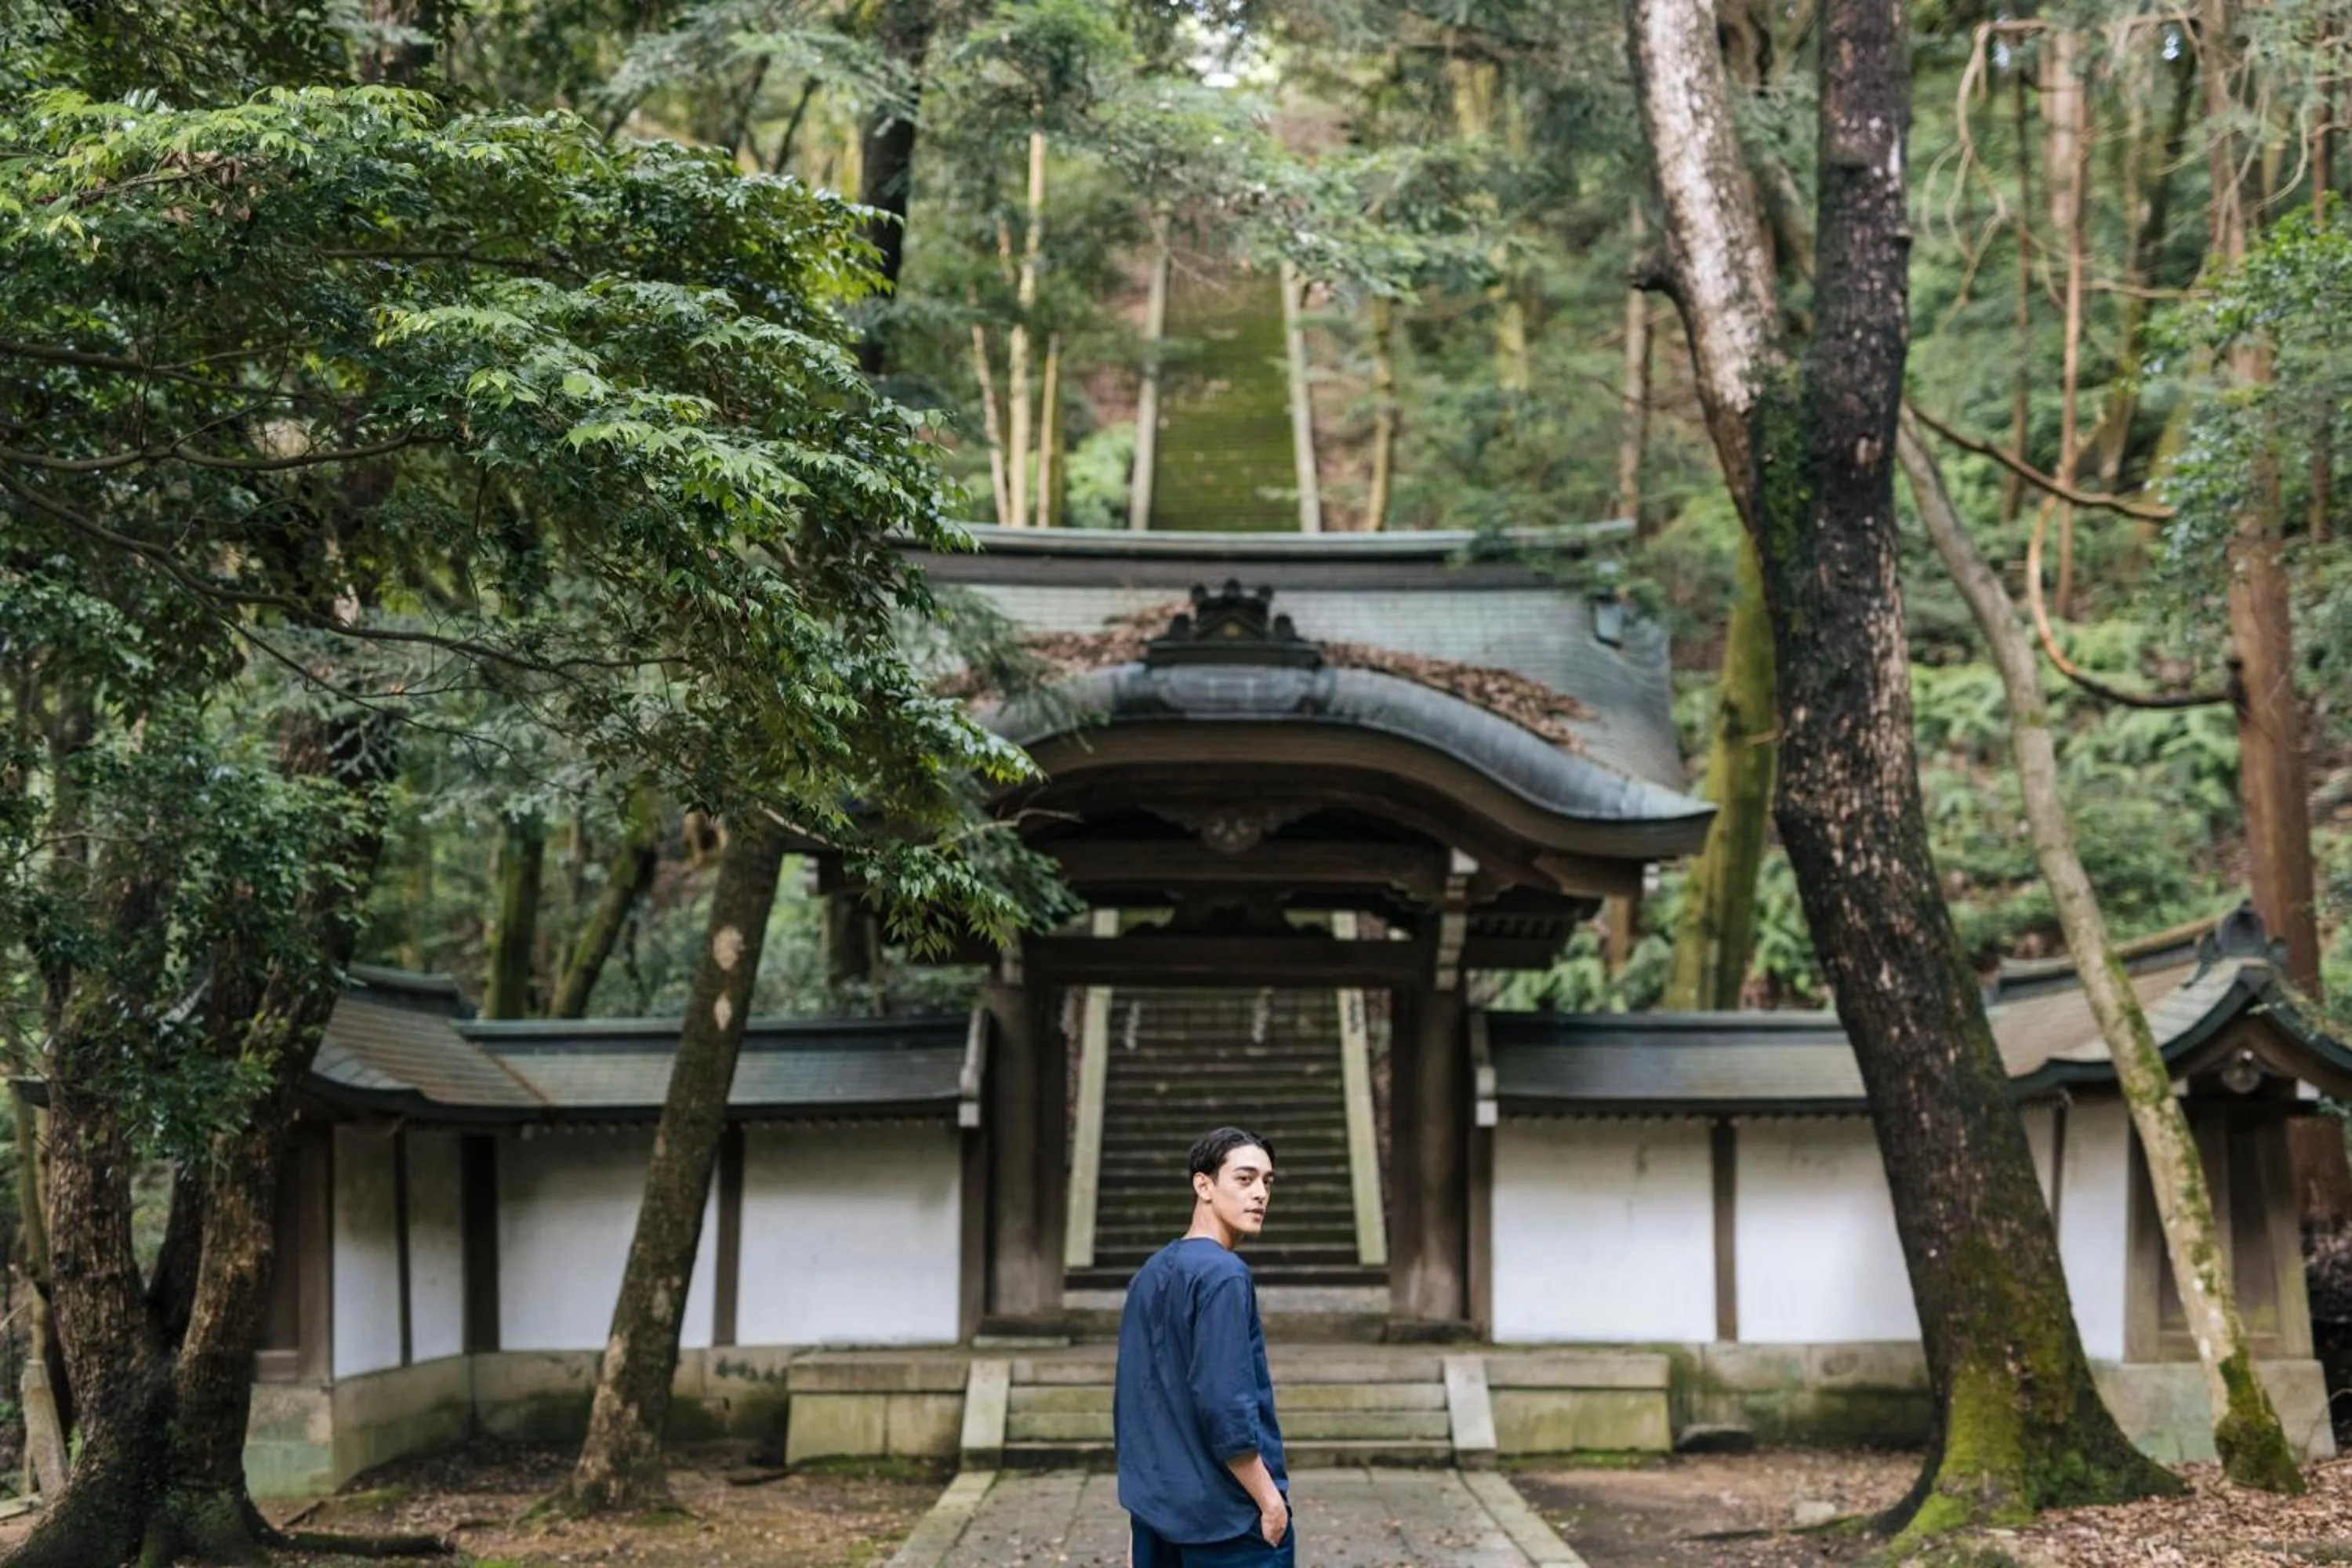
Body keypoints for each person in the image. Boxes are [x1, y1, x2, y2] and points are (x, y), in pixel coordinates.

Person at [1114, 1125, 1291, 1566]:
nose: (1260, 1195)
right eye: (1245, 1179)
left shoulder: (1149, 1273)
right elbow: (1224, 1404)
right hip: (1227, 1518)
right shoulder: (1224, 1275)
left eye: (1268, 1182)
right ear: (1204, 1185)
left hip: (1159, 1512)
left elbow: (1136, 1401)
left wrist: (1140, 1513)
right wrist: (1269, 1501)